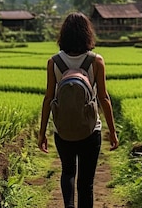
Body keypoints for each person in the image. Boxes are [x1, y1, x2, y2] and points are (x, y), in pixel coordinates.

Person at [38, 12, 119, 208]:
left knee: (67, 172)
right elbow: (104, 98)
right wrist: (113, 132)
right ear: (87, 34)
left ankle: (68, 206)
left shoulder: (54, 62)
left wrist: (42, 133)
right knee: (86, 182)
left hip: (62, 130)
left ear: (63, 35)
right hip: (91, 129)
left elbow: (49, 98)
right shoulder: (96, 60)